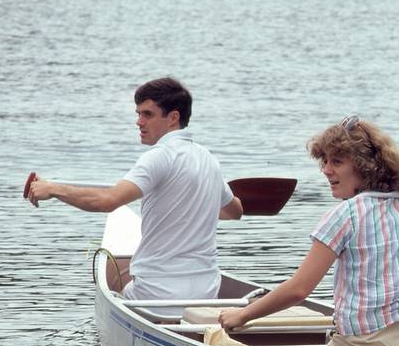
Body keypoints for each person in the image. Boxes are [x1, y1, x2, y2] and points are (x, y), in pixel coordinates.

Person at [218, 115, 399, 346]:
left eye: (337, 161)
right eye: (324, 161)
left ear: (365, 167)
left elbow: (299, 289)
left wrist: (241, 316)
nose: (326, 170)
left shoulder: (345, 215)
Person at [26, 77, 243, 304]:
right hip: (206, 293)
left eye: (147, 114)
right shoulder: (208, 159)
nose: (139, 122)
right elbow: (234, 211)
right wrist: (195, 203)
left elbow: (107, 202)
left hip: (155, 295)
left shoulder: (159, 157)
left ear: (173, 118)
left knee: (117, 288)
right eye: (138, 114)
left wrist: (53, 189)